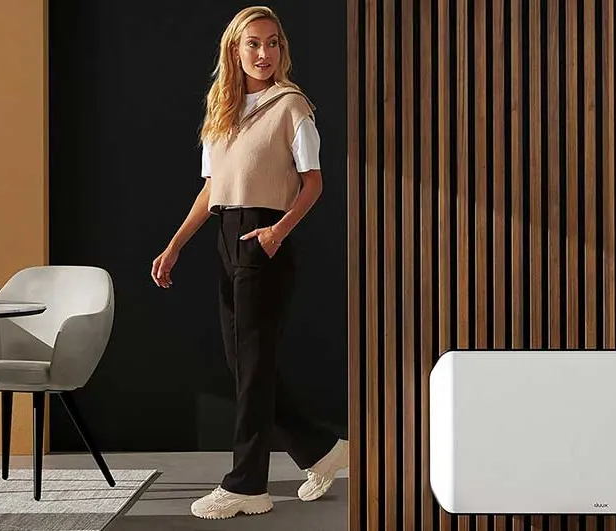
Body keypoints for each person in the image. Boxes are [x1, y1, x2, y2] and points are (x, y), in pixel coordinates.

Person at [150, 5, 348, 520]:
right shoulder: (222, 111)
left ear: (282, 49)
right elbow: (213, 188)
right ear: (234, 51)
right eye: (253, 44)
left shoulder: (291, 106)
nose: (264, 53)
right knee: (246, 367)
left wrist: (278, 233)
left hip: (265, 237)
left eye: (273, 43)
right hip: (227, 236)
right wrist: (175, 245)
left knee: (254, 367)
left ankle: (246, 485)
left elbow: (313, 182)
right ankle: (323, 450)